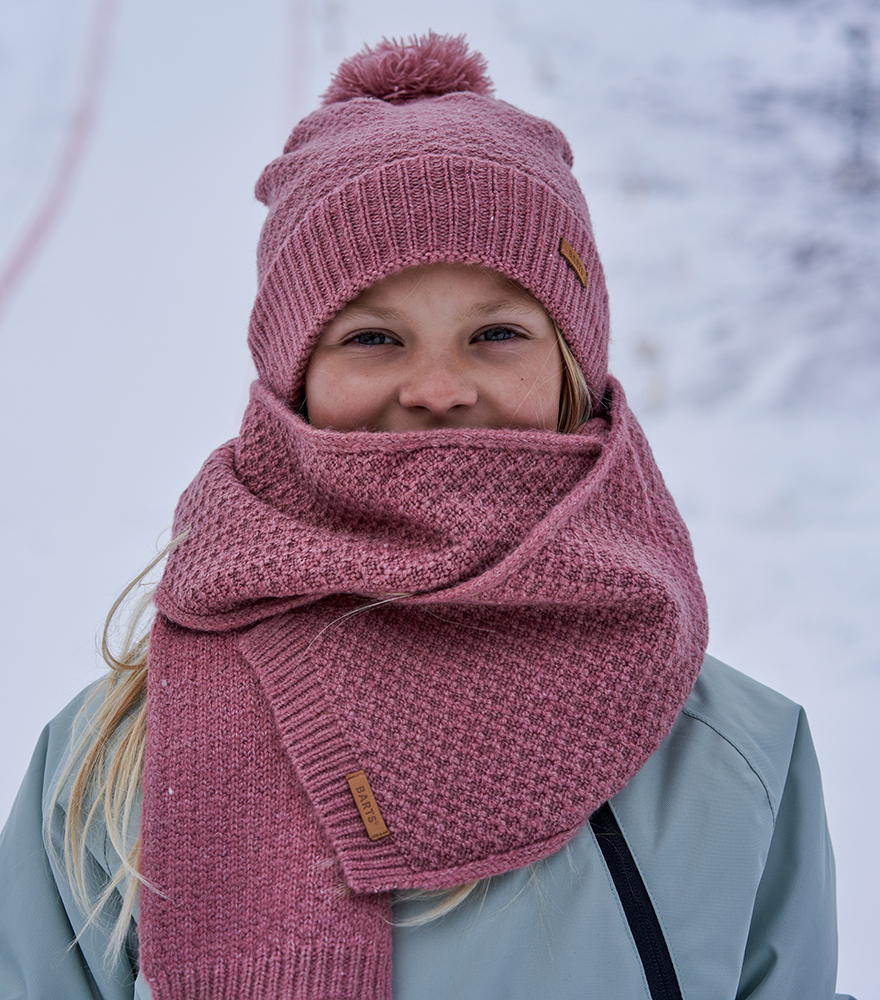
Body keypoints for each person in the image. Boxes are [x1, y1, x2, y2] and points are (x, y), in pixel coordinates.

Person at [0, 32, 853, 1000]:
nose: (439, 388)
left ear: (574, 370)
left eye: (497, 333)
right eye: (373, 337)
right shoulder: (110, 770)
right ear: (291, 381)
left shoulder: (738, 759)